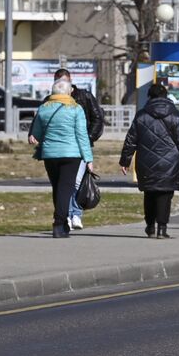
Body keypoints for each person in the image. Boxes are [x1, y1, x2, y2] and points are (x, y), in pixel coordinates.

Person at [120, 81, 179, 239]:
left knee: (149, 193)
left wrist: (125, 161)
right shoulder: (175, 115)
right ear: (166, 96)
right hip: (171, 162)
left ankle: (150, 226)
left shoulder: (141, 115)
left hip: (146, 161)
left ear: (150, 97)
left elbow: (131, 140)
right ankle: (162, 227)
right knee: (166, 194)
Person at [29, 79, 95, 238]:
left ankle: (63, 222)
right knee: (66, 189)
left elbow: (36, 132)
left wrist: (35, 137)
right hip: (71, 155)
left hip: (50, 155)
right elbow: (82, 135)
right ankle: (58, 224)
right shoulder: (75, 109)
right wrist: (88, 158)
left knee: (58, 188)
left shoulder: (43, 108)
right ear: (68, 92)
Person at [54, 68, 104, 233]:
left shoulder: (84, 96)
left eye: (64, 80)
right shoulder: (52, 99)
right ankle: (68, 215)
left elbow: (97, 118)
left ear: (70, 81)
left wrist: (89, 137)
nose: (61, 84)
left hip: (82, 144)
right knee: (66, 182)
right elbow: (42, 117)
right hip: (62, 146)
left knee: (75, 181)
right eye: (58, 80)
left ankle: (74, 213)